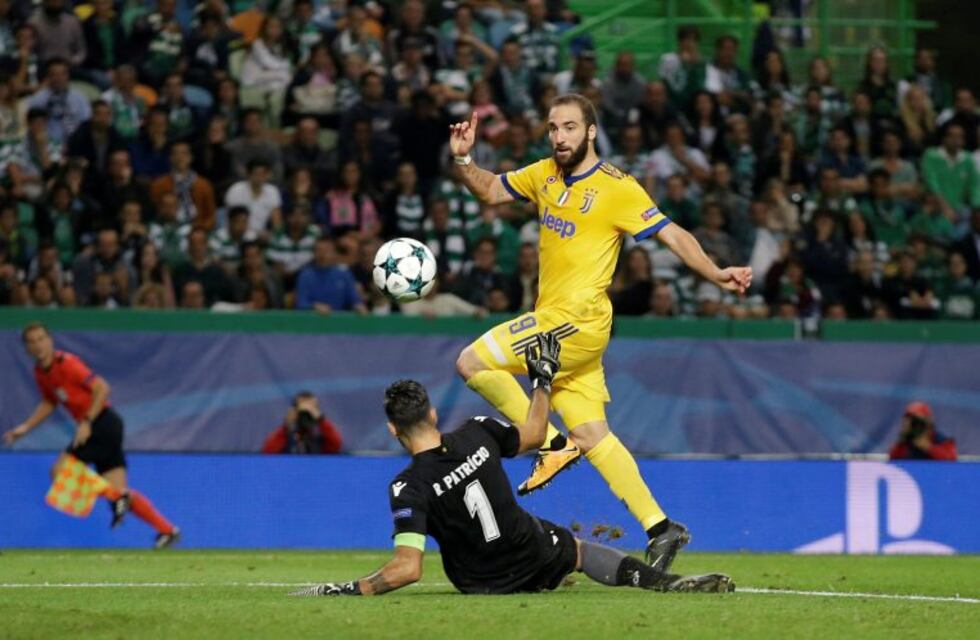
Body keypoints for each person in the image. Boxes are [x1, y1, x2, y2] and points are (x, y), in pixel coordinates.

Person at [447, 94, 752, 574]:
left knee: (471, 361)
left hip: (577, 319)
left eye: (569, 127)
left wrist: (716, 273)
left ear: (590, 132)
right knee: (592, 435)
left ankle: (549, 444)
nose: (559, 137)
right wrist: (464, 158)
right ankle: (660, 526)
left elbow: (672, 234)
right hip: (563, 324)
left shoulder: (618, 187)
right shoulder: (543, 173)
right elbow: (490, 190)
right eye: (553, 128)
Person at [290, 336, 732, 597]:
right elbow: (536, 436)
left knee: (522, 545)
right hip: (531, 551)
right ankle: (661, 582)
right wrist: (540, 382)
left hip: (478, 582)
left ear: (392, 430)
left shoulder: (406, 488)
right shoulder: (477, 431)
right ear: (432, 415)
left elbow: (408, 568)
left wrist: (351, 588)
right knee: (576, 550)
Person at [3, 323, 180, 548]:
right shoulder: (40, 373)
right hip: (102, 427)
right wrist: (25, 427)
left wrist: (87, 422)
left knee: (58, 471)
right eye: (32, 342)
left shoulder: (66, 363)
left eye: (41, 339)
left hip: (102, 423)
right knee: (117, 491)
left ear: (50, 340)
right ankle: (167, 530)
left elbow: (102, 388)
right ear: (27, 348)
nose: (38, 345)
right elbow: (50, 402)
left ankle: (117, 499)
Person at [261, 391, 343, 455]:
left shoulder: (321, 433)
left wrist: (321, 420)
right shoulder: (286, 434)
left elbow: (336, 445)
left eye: (311, 409)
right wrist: (287, 425)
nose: (305, 414)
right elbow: (268, 452)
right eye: (302, 410)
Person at [888, 402, 957, 461]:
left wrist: (928, 447)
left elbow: (951, 461)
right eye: (913, 422)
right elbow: (893, 461)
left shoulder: (942, 440)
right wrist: (903, 439)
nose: (916, 426)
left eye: (919, 422)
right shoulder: (905, 442)